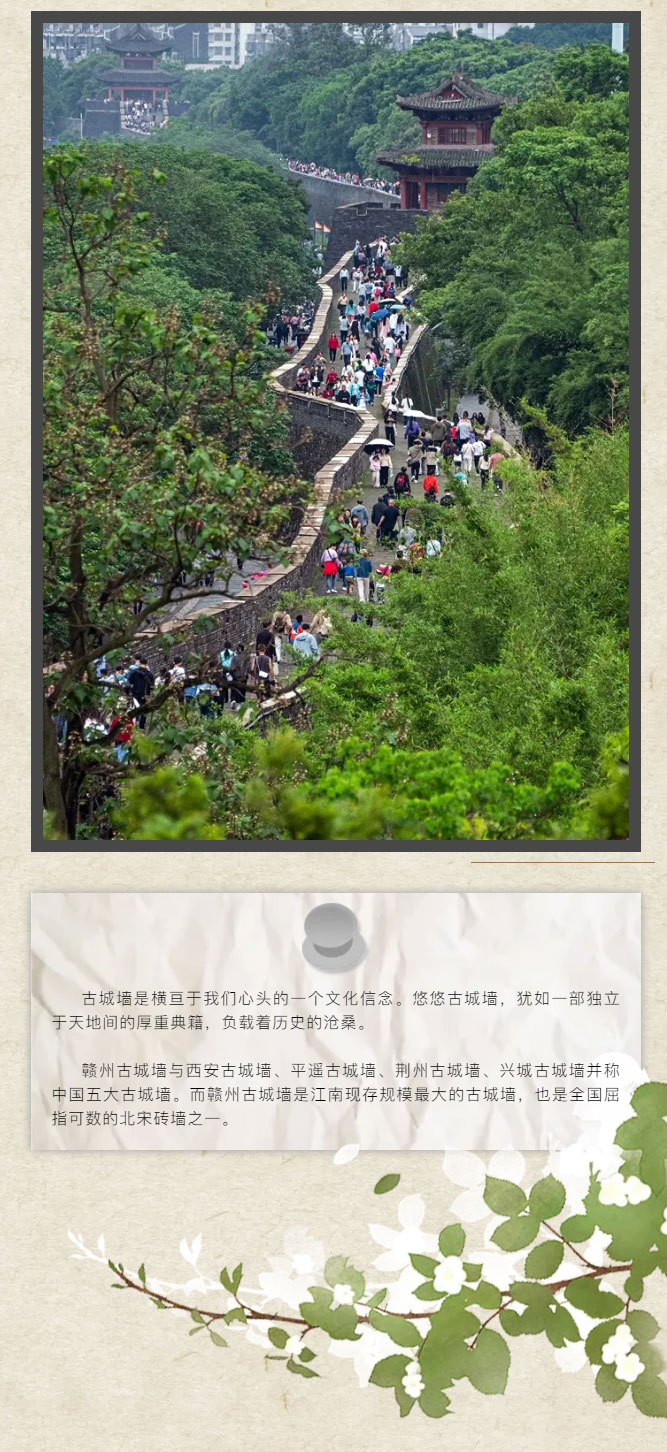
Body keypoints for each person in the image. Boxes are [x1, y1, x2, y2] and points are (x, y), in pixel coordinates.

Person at [126, 655, 153, 729]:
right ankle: (141, 725)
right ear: (146, 664)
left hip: (135, 693)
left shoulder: (134, 672)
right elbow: (152, 686)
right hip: (145, 694)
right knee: (144, 709)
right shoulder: (149, 674)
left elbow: (129, 682)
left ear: (139, 663)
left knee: (136, 708)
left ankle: (135, 722)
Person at [219, 641, 236, 707]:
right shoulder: (233, 653)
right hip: (230, 670)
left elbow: (220, 662)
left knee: (224, 685)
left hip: (224, 670)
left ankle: (225, 698)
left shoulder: (221, 653)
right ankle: (232, 699)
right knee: (232, 685)